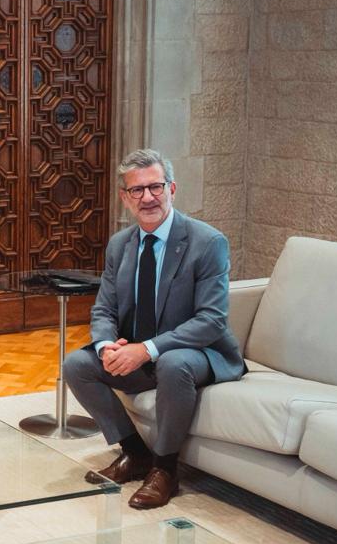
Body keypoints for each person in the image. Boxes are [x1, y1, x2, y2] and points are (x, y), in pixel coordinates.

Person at [64, 149, 245, 509]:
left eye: (155, 187)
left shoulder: (207, 243)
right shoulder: (120, 244)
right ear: (125, 198)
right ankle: (134, 453)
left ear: (172, 189)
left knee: (173, 362)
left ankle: (165, 469)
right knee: (77, 364)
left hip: (199, 354)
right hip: (142, 352)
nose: (148, 197)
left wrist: (146, 349)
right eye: (137, 190)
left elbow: (211, 321)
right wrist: (105, 346)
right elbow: (104, 308)